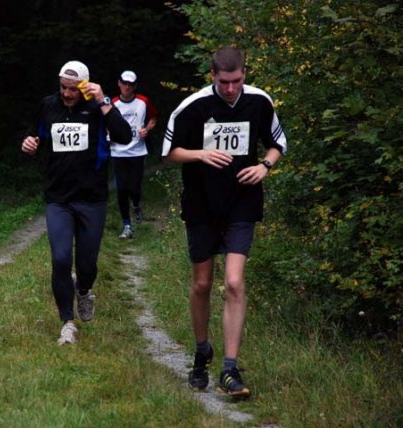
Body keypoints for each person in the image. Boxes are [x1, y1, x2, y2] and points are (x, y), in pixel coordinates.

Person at [162, 47, 287, 398]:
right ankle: (202, 351)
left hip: (242, 204)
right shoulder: (193, 107)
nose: (231, 89)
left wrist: (265, 166)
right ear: (212, 76)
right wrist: (200, 154)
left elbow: (278, 142)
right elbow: (168, 152)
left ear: (245, 73)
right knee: (202, 284)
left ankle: (230, 369)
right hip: (201, 205)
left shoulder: (259, 101)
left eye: (236, 81)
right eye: (223, 82)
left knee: (233, 283)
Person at [22, 60, 131, 345]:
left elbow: (124, 136)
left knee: (87, 264)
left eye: (73, 89)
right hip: (58, 198)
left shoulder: (97, 107)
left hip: (92, 198)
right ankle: (67, 323)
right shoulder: (49, 105)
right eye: (64, 88)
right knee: (60, 259)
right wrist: (29, 144)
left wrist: (104, 101)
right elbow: (35, 135)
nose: (68, 94)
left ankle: (83, 290)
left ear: (84, 86)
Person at [110, 70, 158, 239]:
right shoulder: (113, 103)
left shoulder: (143, 101)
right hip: (118, 151)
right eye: (124, 83)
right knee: (122, 188)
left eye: (130, 84)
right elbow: (104, 122)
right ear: (119, 83)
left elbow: (153, 118)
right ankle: (127, 225)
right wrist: (108, 135)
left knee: (134, 187)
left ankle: (136, 205)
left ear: (135, 86)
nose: (127, 87)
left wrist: (147, 129)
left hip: (137, 150)